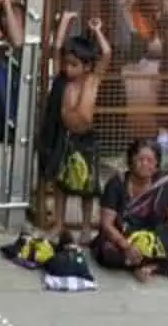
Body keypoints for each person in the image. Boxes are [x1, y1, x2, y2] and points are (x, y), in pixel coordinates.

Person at [92, 138, 168, 282]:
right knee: (107, 251)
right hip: (125, 237)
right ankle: (149, 265)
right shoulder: (117, 183)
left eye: (150, 160)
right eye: (140, 159)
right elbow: (107, 224)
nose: (144, 164)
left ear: (157, 164)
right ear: (130, 161)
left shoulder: (164, 185)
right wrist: (126, 246)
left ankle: (152, 268)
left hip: (155, 239)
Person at [40, 12, 109, 237]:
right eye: (67, 63)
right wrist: (65, 22)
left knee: (87, 187)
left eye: (74, 64)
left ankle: (87, 228)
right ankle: (59, 223)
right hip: (66, 136)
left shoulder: (92, 79)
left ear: (87, 66)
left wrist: (97, 31)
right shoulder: (64, 81)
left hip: (85, 138)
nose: (68, 68)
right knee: (62, 183)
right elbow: (58, 48)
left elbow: (107, 53)